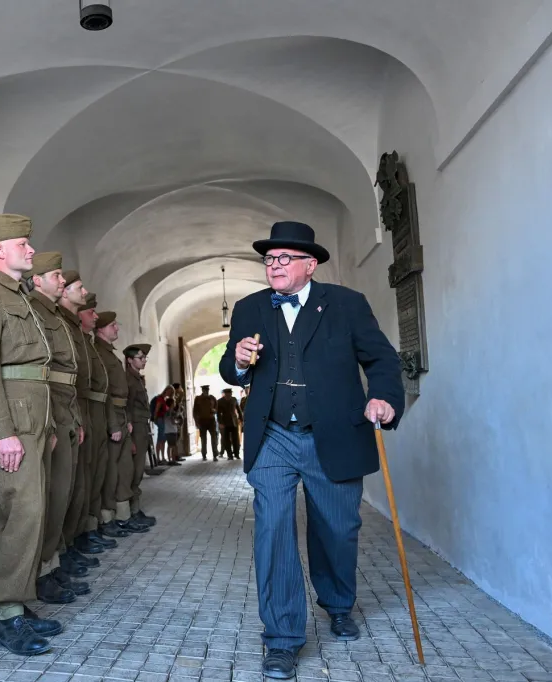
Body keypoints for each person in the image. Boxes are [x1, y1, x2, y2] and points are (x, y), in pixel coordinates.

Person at [219, 220, 404, 680]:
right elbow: (229, 366)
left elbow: (381, 359)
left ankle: (338, 603)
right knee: (274, 529)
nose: (274, 266)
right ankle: (281, 639)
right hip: (274, 436)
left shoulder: (347, 305)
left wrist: (383, 398)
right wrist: (239, 363)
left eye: (284, 258)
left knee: (336, 528)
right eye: (269, 259)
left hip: (334, 432)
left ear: (310, 264)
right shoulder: (248, 308)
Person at [0, 214, 63, 656]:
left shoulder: (20, 298)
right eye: (23, 244)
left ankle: (18, 600)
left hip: (34, 414)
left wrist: (51, 424)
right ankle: (7, 612)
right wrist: (2, 432)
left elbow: (39, 371)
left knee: (30, 511)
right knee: (22, 510)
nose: (30, 251)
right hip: (13, 418)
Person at [24, 253, 88, 602]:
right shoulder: (33, 311)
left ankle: (52, 564)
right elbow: (42, 373)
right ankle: (41, 572)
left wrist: (73, 417)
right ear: (38, 280)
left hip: (64, 408)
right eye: (57, 275)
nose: (62, 281)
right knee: (47, 497)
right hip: (49, 409)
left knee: (62, 494)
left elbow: (68, 376)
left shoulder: (56, 316)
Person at [56, 272, 101, 568]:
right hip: (60, 405)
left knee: (79, 482)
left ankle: (70, 542)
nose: (84, 292)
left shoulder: (75, 329)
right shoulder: (57, 320)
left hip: (76, 405)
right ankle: (56, 553)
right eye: (79, 288)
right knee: (60, 488)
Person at [92, 312, 148, 535]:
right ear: (101, 329)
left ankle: (123, 515)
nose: (117, 328)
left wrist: (126, 420)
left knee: (124, 469)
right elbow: (104, 392)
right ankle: (108, 517)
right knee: (111, 471)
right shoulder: (98, 353)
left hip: (121, 415)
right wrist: (115, 423)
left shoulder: (108, 354)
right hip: (111, 414)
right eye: (112, 325)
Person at [75, 293, 118, 552]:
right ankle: (82, 531)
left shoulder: (89, 344)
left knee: (98, 474)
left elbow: (106, 389)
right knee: (86, 476)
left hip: (97, 412)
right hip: (85, 410)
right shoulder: (78, 341)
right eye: (90, 311)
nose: (95, 316)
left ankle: (90, 527)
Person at [123, 344, 157, 527]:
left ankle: (135, 509)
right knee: (134, 471)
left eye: (144, 358)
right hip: (134, 428)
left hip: (141, 426)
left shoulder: (137, 378)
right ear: (129, 360)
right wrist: (130, 437)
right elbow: (126, 407)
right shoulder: (128, 379)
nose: (143, 361)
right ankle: (129, 512)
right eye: (140, 358)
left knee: (138, 471)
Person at [192, 385, 219, 460]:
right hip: (202, 420)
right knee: (203, 439)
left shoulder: (212, 398)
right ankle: (204, 454)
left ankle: (215, 454)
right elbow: (195, 411)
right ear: (202, 390)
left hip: (211, 420)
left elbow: (217, 408)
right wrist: (196, 422)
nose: (206, 391)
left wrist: (214, 410)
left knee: (214, 438)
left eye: (207, 390)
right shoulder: (198, 399)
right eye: (204, 390)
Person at [217, 387, 242, 460]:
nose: (229, 395)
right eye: (227, 394)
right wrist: (220, 423)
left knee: (236, 439)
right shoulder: (220, 401)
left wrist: (241, 419)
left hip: (234, 422)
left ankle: (237, 454)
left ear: (231, 393)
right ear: (225, 394)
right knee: (226, 439)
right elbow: (218, 413)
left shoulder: (234, 399)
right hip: (225, 422)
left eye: (230, 393)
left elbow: (239, 410)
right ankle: (229, 455)